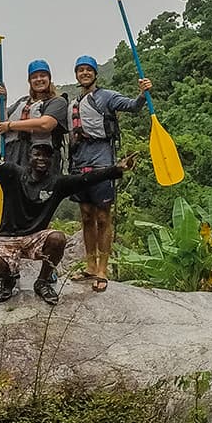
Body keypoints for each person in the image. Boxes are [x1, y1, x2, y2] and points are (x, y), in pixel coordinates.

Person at [0, 133, 135, 305]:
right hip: (8, 237)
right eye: (37, 154)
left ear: (51, 160)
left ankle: (42, 282)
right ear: (29, 156)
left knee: (58, 238)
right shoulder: (12, 173)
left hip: (35, 238)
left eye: (46, 155)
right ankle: (8, 279)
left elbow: (87, 178)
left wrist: (115, 169)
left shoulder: (57, 183)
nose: (41, 159)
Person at [67, 55, 152, 292]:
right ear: (76, 74)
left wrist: (143, 93)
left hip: (103, 160)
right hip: (79, 162)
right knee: (85, 215)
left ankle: (103, 269)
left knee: (103, 217)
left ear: (95, 73)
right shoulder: (72, 102)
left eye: (88, 70)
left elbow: (133, 107)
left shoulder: (107, 96)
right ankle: (90, 266)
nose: (84, 73)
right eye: (80, 70)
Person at [0, 59, 68, 171]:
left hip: (41, 158)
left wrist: (10, 125)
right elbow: (1, 126)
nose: (39, 79)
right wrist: (3, 101)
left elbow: (45, 124)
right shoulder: (21, 102)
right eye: (34, 77)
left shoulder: (57, 102)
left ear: (49, 79)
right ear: (30, 81)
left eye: (43, 75)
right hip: (14, 157)